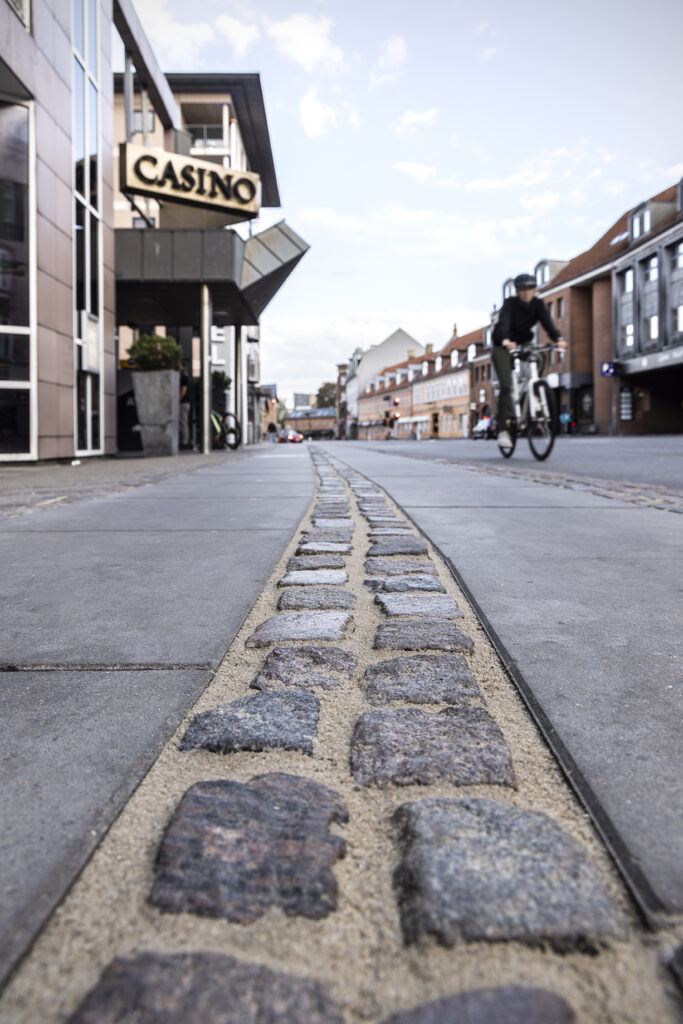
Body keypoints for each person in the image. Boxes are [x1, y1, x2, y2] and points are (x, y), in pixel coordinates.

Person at [492, 273, 566, 451]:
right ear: (517, 291)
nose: (526, 293)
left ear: (534, 290)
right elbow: (504, 323)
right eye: (522, 290)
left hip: (524, 341)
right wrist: (505, 340)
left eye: (529, 289)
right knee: (506, 386)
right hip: (502, 344)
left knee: (540, 355)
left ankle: (534, 389)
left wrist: (558, 339)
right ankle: (503, 430)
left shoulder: (538, 304)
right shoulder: (510, 304)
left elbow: (548, 324)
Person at [178, 365, 191, 449]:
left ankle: (185, 442)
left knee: (183, 423)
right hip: (183, 403)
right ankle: (183, 441)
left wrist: (177, 401)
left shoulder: (184, 378)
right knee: (181, 423)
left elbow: (183, 392)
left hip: (183, 403)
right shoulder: (183, 377)